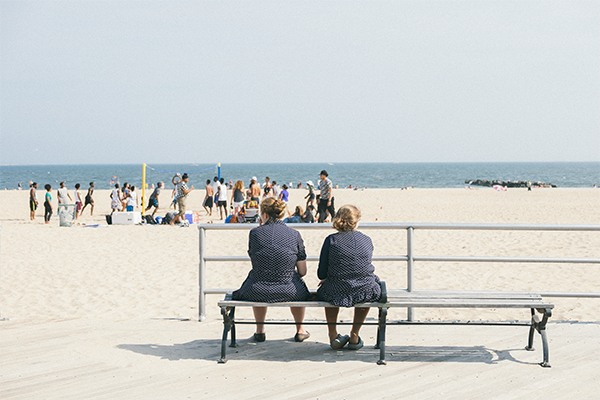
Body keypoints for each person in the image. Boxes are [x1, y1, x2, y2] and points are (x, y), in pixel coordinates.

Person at [232, 197, 310, 342]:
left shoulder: (255, 233)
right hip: (289, 290)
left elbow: (255, 260)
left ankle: (260, 330)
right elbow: (303, 271)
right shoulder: (294, 234)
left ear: (265, 215)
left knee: (258, 276)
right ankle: (300, 329)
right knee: (298, 283)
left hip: (257, 289)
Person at [317, 205, 381, 350]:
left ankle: (333, 335)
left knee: (330, 291)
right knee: (366, 288)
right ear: (356, 222)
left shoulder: (331, 240)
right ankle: (354, 334)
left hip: (336, 288)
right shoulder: (366, 240)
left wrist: (330, 277)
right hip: (364, 288)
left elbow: (321, 274)